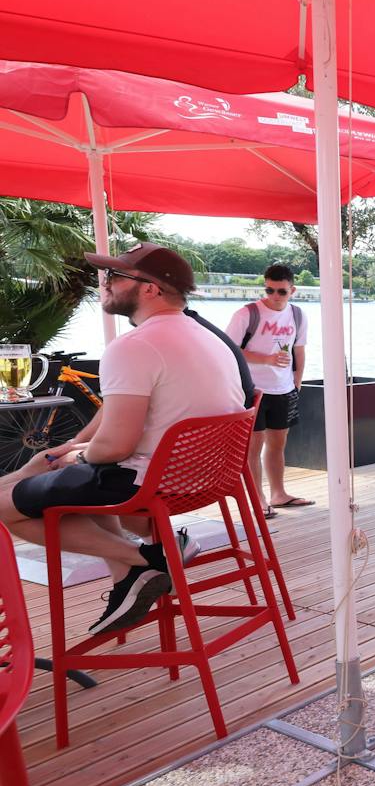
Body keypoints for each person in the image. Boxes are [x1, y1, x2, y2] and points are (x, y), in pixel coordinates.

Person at [0, 244, 244, 635]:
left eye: (115, 276)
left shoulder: (134, 346)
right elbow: (117, 417)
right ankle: (129, 576)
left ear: (150, 289)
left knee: (6, 506)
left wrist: (76, 459)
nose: (104, 284)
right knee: (69, 483)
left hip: (151, 483)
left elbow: (114, 448)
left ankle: (146, 558)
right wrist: (76, 447)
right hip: (205, 478)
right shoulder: (206, 337)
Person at [226, 264, 308, 516]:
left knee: (277, 444)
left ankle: (278, 493)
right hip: (252, 389)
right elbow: (228, 349)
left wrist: (297, 379)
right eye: (269, 290)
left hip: (283, 389)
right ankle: (258, 499)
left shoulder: (297, 315)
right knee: (253, 446)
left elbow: (299, 348)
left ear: (292, 290)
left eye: (281, 291)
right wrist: (266, 359)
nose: (274, 296)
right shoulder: (246, 314)